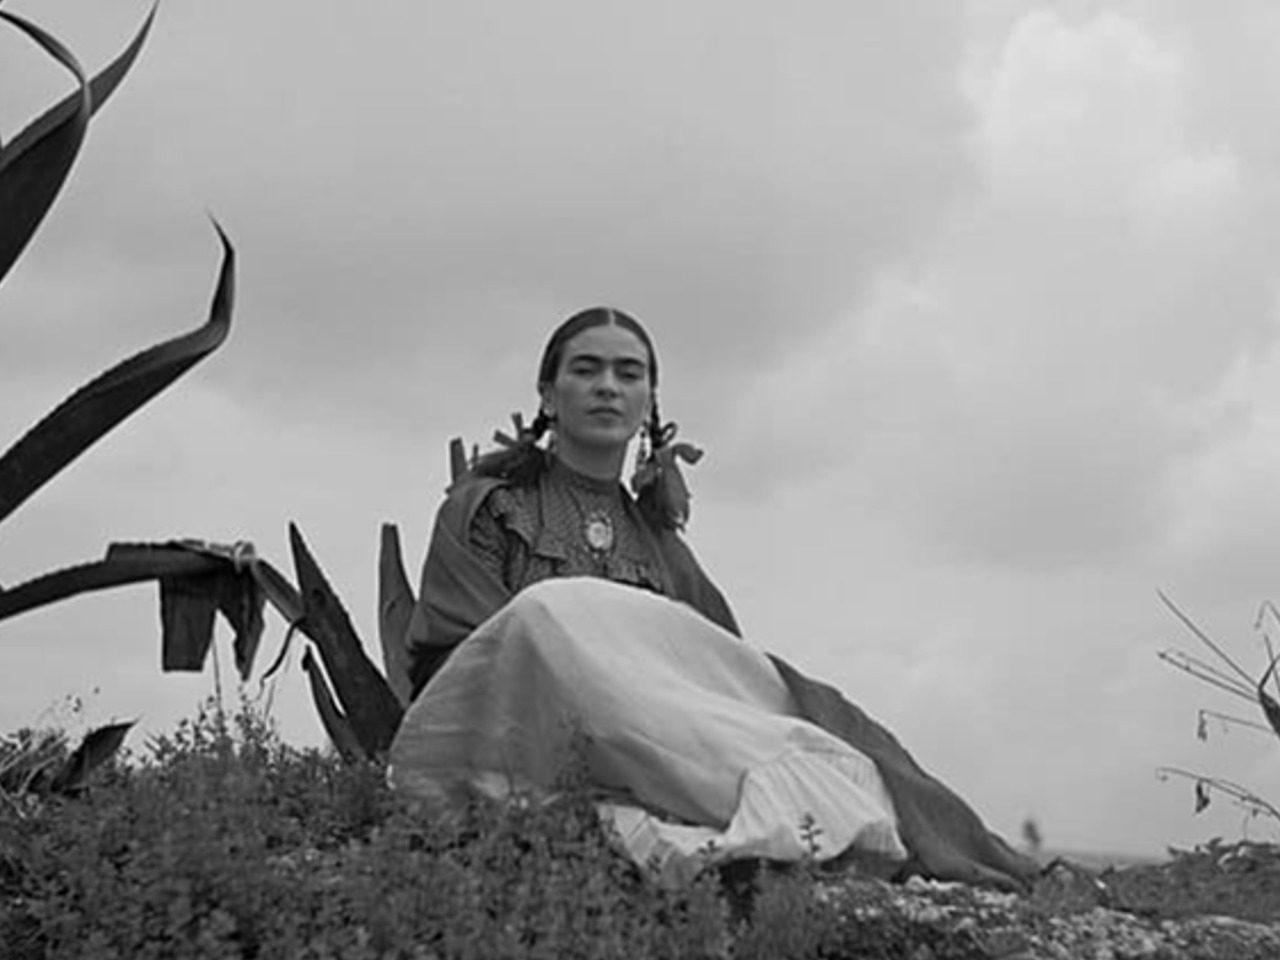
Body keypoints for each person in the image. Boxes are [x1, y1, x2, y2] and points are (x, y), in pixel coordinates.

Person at [392, 306, 1038, 891]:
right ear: (548, 394)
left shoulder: (660, 545)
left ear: (649, 402)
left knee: (841, 769)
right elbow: (460, 661)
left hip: (645, 752)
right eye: (586, 370)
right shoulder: (490, 510)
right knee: (546, 613)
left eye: (629, 373)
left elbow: (712, 680)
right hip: (514, 740)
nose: (608, 387)